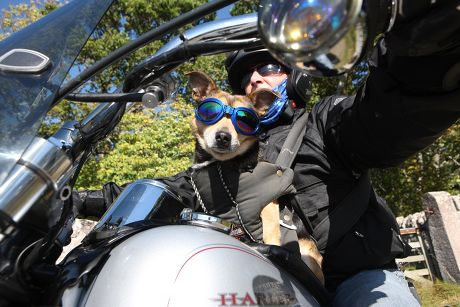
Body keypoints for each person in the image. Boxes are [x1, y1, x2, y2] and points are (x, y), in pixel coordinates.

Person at [73, 1, 460, 305]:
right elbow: (161, 191)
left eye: (269, 68)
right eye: (246, 77)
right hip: (260, 278)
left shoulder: (324, 124)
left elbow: (387, 119)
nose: (255, 78)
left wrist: (426, 52)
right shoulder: (211, 166)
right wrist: (68, 198)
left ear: (293, 76)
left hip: (357, 278)